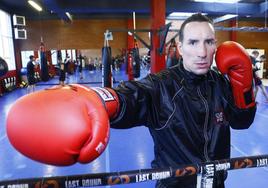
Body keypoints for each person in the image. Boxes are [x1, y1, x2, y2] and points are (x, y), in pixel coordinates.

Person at [7, 14, 256, 188]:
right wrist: (100, 101)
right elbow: (133, 96)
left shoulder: (222, 82)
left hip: (218, 183)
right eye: (193, 42)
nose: (202, 52)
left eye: (208, 42)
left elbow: (242, 122)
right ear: (179, 48)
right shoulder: (161, 86)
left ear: (215, 45)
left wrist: (244, 88)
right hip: (175, 185)